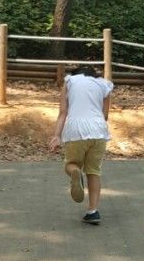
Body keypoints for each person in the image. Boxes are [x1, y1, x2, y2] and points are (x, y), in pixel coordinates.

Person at [48, 65, 113, 224]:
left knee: (70, 164)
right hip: (98, 131)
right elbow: (104, 115)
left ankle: (76, 171)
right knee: (94, 171)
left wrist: (56, 136)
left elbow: (63, 113)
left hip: (76, 130)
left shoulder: (69, 81)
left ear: (76, 74)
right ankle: (92, 211)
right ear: (94, 75)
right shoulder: (104, 84)